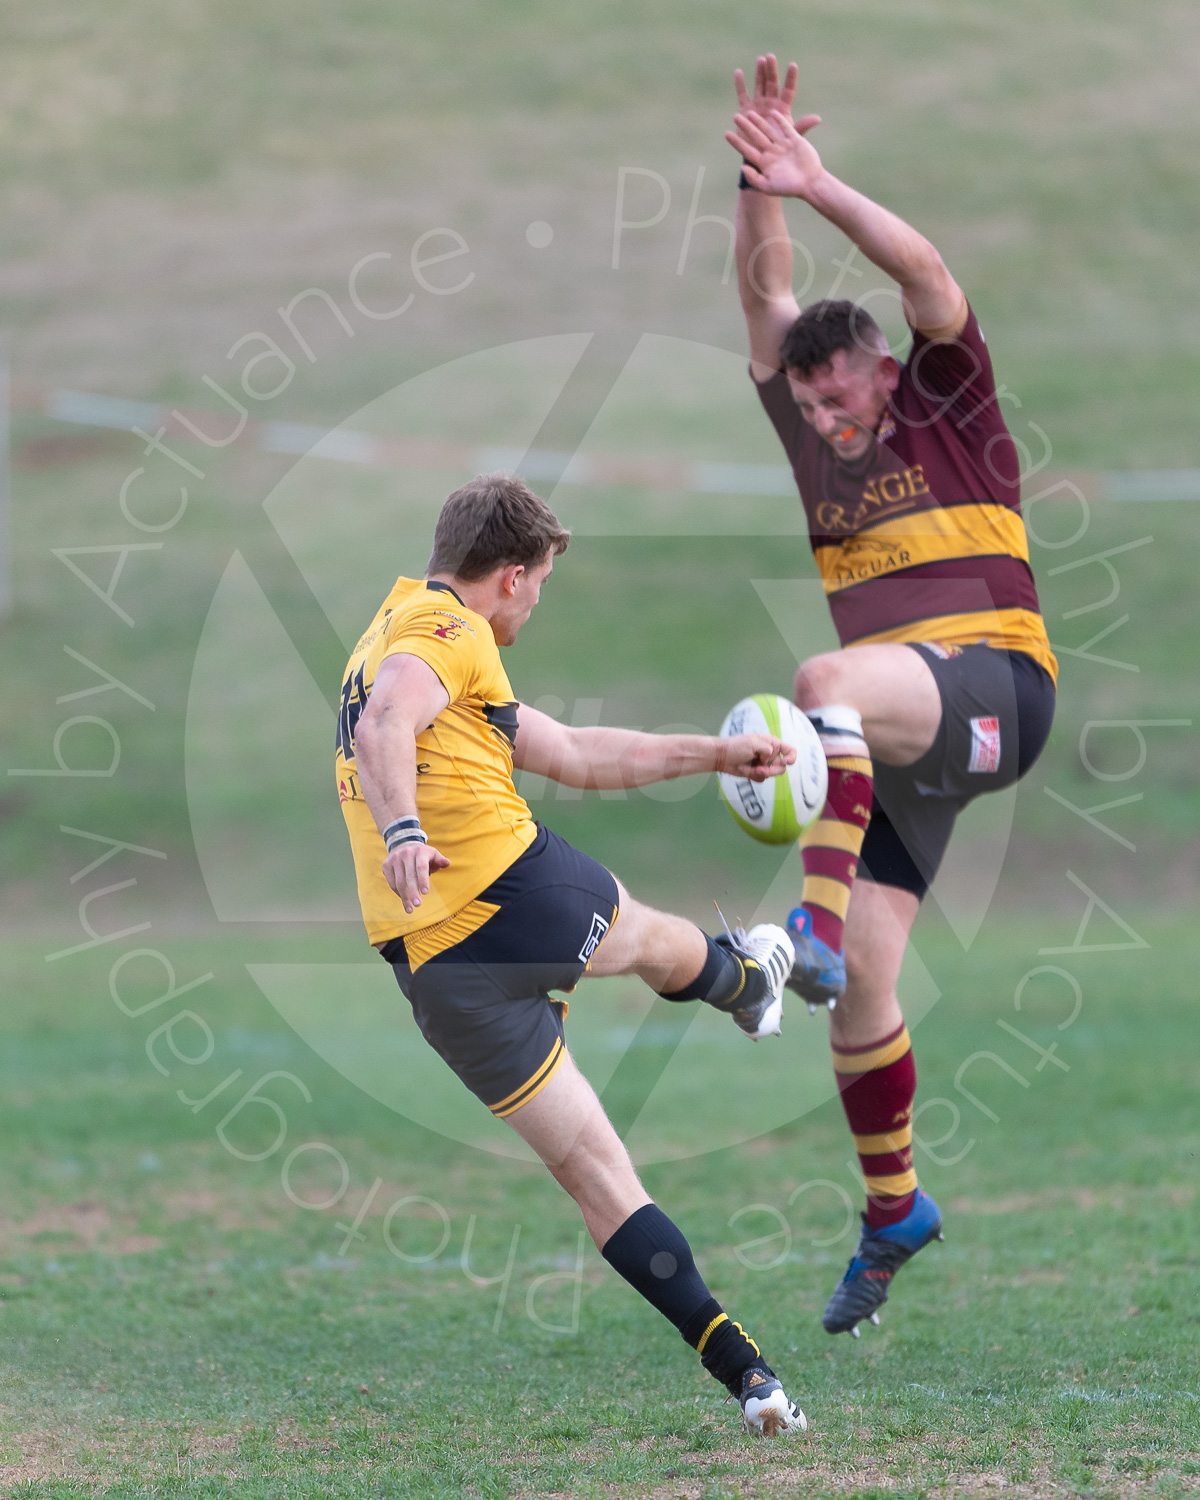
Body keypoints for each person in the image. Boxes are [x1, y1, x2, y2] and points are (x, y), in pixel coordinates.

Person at [335, 473, 806, 1436]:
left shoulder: (398, 634)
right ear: (509, 577)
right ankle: (750, 981)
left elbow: (583, 753)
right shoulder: (448, 630)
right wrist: (402, 831)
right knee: (650, 937)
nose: (538, 601)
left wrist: (718, 755)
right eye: (541, 580)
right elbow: (386, 726)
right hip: (512, 895)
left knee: (598, 1178)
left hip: (439, 976)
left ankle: (750, 1376)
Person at [725, 56, 1057, 1337]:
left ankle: (796, 930)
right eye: (804, 402)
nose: (823, 414)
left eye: (835, 391)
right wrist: (754, 183)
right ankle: (894, 1206)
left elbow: (926, 275)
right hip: (900, 734)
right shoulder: (818, 439)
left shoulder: (948, 401)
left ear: (878, 366)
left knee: (820, 681)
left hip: (997, 690)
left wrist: (817, 185)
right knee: (868, 985)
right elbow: (764, 305)